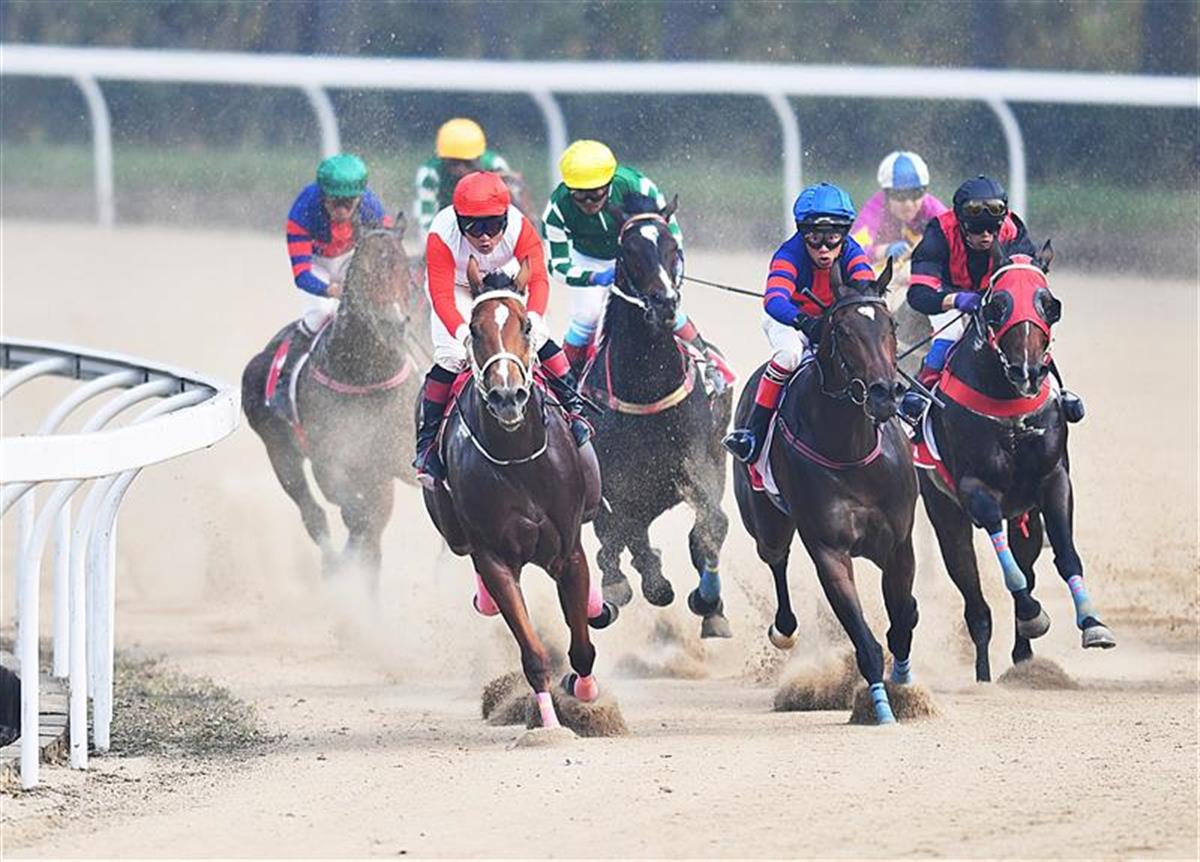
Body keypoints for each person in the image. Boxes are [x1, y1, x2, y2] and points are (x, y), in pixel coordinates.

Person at [412, 171, 591, 486]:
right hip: (456, 287)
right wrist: (462, 333)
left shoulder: (521, 227)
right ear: (458, 220)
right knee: (452, 356)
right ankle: (427, 446)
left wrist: (533, 319)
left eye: (494, 226)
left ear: (506, 219)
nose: (484, 237)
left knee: (539, 336)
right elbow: (441, 296)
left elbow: (537, 280)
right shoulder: (441, 234)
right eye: (474, 227)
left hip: (504, 281)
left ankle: (574, 411)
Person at [541, 139, 735, 391]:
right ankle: (568, 388)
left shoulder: (638, 185)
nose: (589, 202)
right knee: (586, 317)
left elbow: (669, 235)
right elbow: (557, 265)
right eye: (579, 194)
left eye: (596, 193)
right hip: (588, 260)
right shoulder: (557, 208)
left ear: (610, 183)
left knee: (664, 305)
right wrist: (593, 277)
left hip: (641, 254)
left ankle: (709, 361)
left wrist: (672, 273)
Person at [900, 175, 1084, 425]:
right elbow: (919, 295)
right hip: (950, 297)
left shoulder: (1012, 229)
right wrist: (958, 299)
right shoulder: (939, 232)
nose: (986, 237)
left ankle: (1057, 392)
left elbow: (1025, 279)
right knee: (950, 335)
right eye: (976, 230)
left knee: (1026, 330)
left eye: (992, 230)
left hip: (995, 299)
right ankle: (923, 390)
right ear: (961, 223)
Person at [723, 183, 875, 469]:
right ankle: (753, 434)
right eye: (814, 238)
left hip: (833, 321)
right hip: (789, 320)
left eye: (833, 237)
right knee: (789, 356)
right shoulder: (789, 254)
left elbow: (867, 291)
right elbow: (775, 301)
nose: (824, 249)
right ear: (802, 233)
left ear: (845, 233)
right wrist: (805, 322)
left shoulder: (853, 253)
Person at [274, 153, 391, 418]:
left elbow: (385, 249)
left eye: (347, 204)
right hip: (317, 264)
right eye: (334, 203)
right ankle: (285, 381)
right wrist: (331, 290)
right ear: (322, 196)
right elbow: (302, 274)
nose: (341, 211)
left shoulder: (371, 206)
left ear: (359, 198)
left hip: (352, 257)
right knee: (321, 314)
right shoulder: (303, 210)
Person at [414, 118, 527, 241]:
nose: (460, 169)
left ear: (479, 158)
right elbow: (426, 219)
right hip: (449, 233)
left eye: (467, 163)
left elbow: (515, 213)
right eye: (453, 163)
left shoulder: (495, 165)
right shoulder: (430, 174)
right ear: (443, 159)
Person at [851, 151, 948, 268]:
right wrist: (884, 251)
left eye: (916, 193)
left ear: (925, 192)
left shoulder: (932, 207)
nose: (908, 204)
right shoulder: (876, 207)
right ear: (886, 195)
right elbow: (853, 249)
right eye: (900, 195)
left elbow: (956, 243)